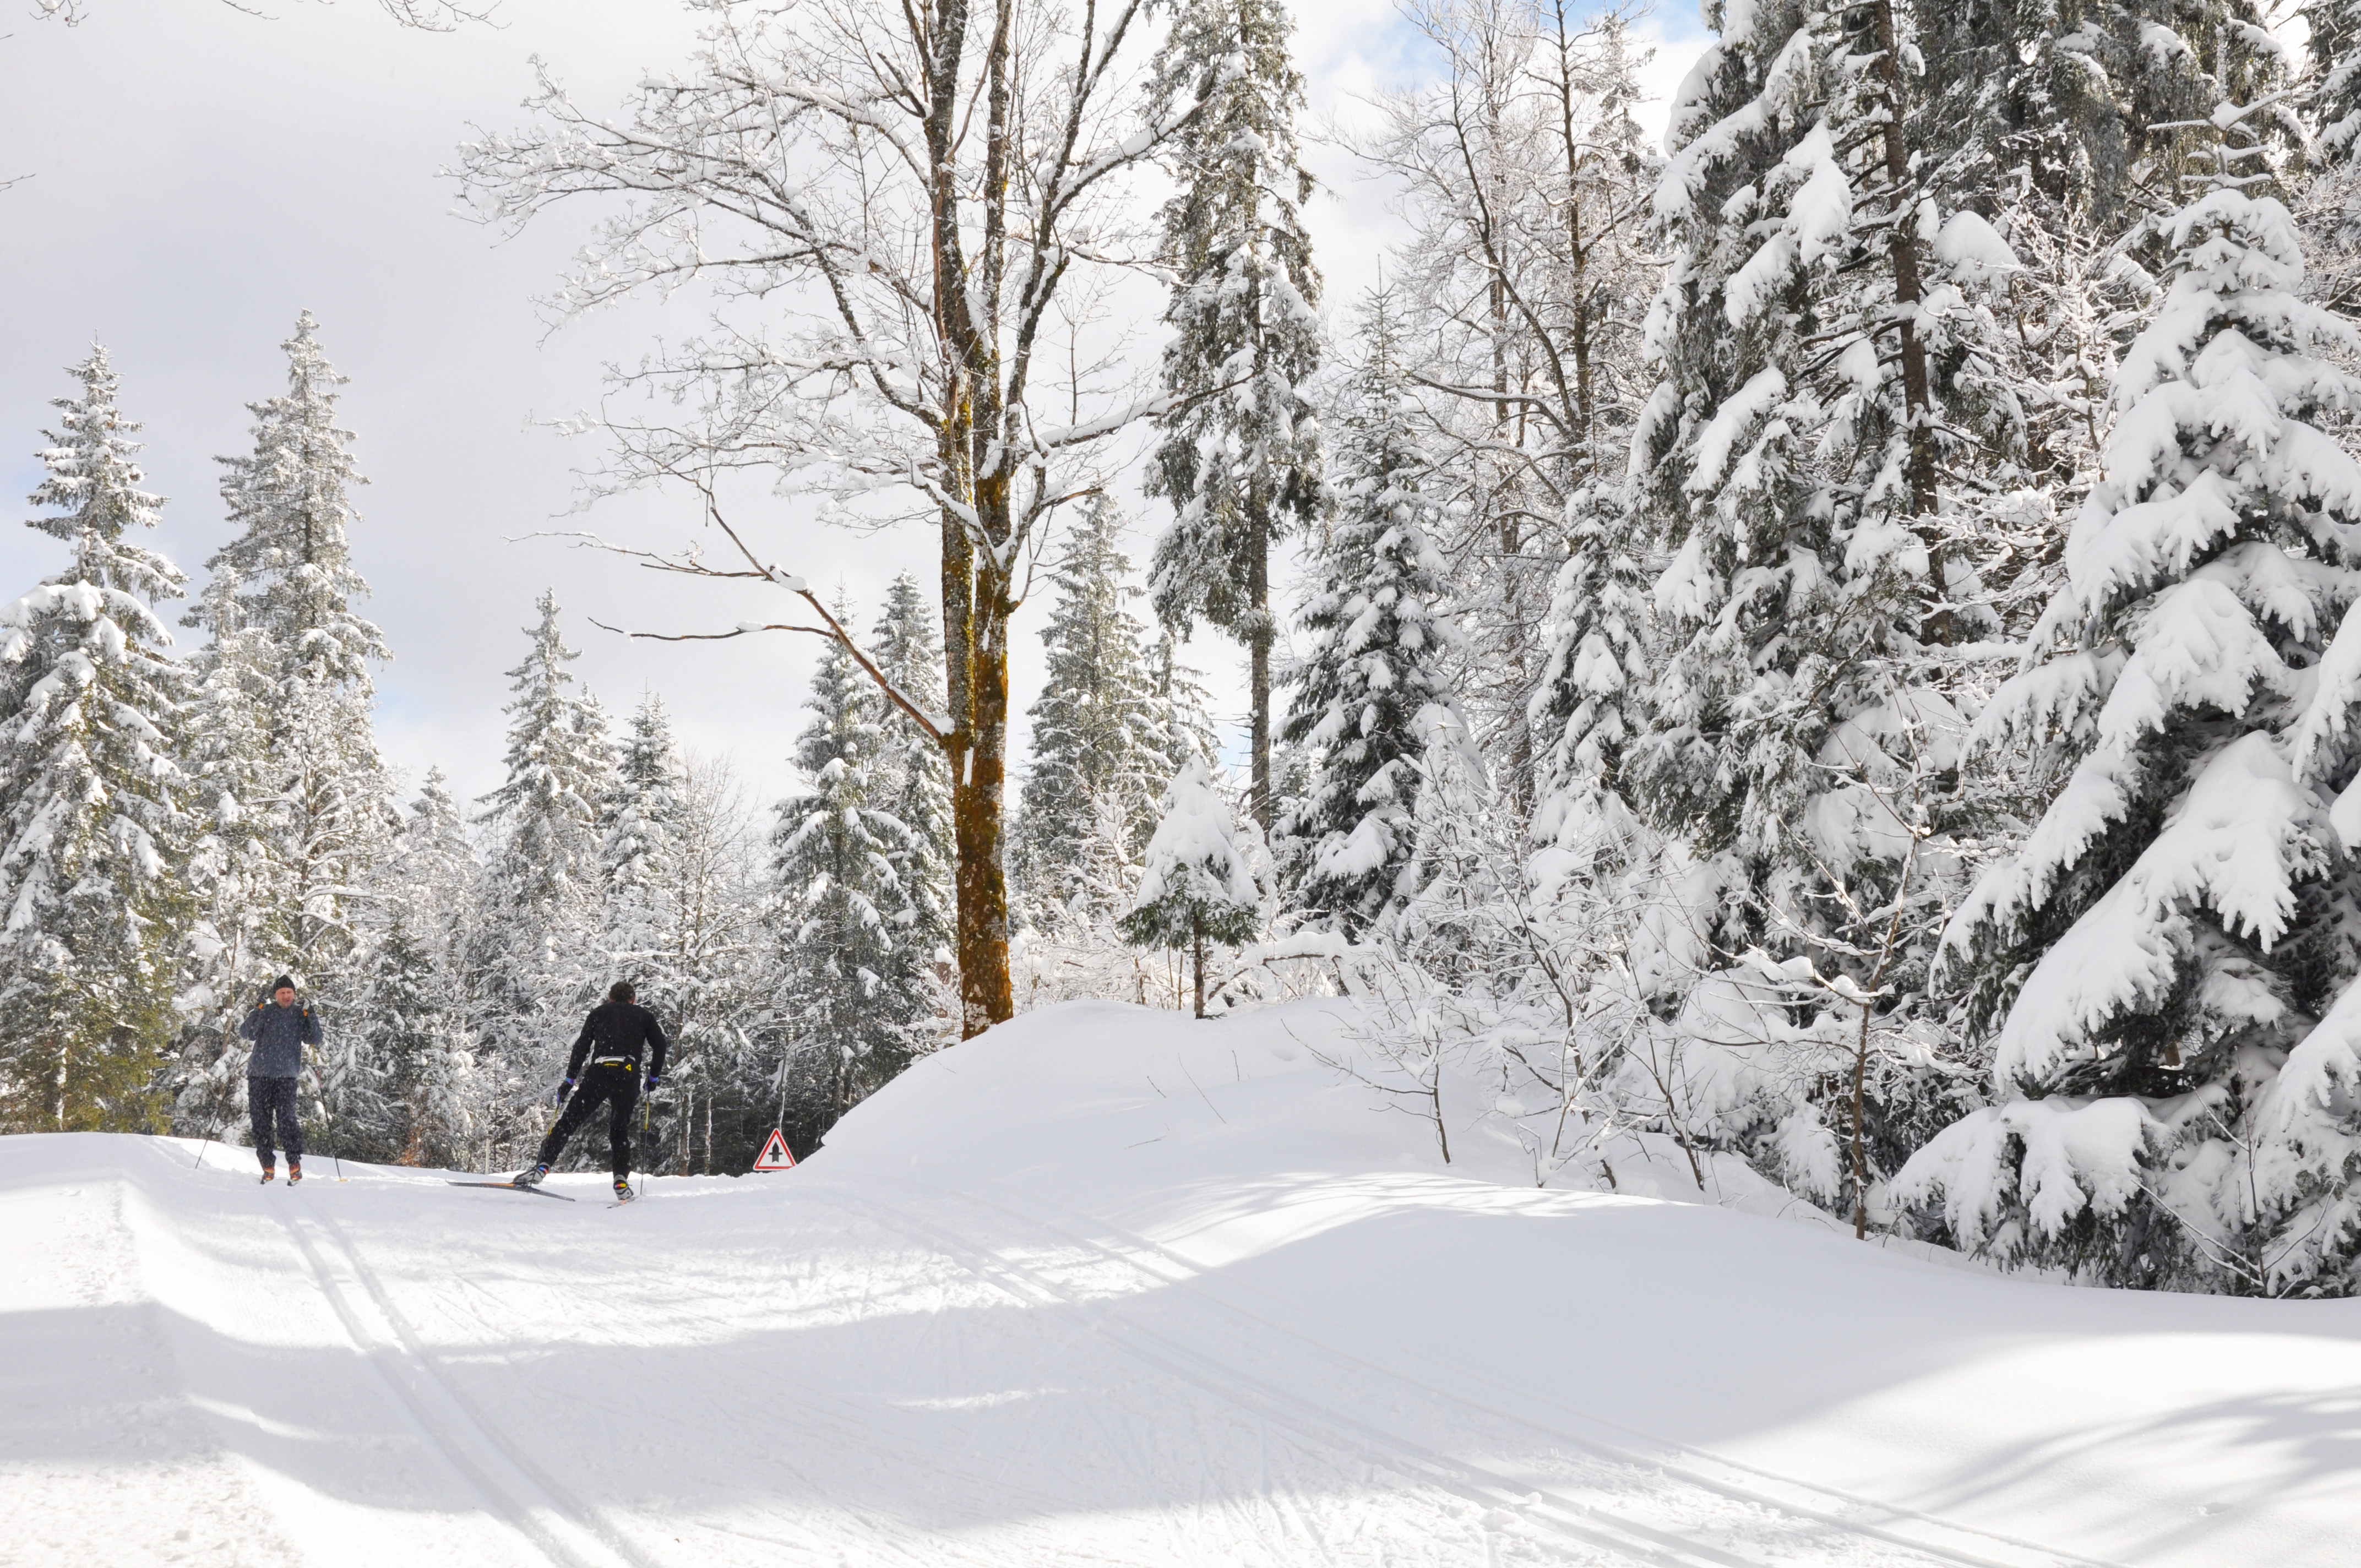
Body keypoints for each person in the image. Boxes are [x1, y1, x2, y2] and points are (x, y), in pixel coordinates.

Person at [518, 981, 670, 1199]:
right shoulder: (644, 1015)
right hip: (627, 1075)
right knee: (620, 1130)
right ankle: (621, 1180)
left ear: (610, 997)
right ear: (633, 999)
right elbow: (661, 1045)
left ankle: (542, 1167)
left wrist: (570, 1080)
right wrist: (653, 1076)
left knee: (568, 1122)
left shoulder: (599, 1013)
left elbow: (582, 1047)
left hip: (599, 1072)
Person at [241, 975, 321, 1184]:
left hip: (286, 1077)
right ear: (275, 996)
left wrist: (310, 1014)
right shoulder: (266, 1012)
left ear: (294, 995)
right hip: (260, 1076)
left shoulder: (300, 1013)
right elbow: (247, 1033)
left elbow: (315, 1039)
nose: (286, 996)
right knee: (261, 1123)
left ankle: (294, 1164)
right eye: (282, 993)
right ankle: (267, 1165)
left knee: (287, 1121)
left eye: (289, 993)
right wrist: (256, 1010)